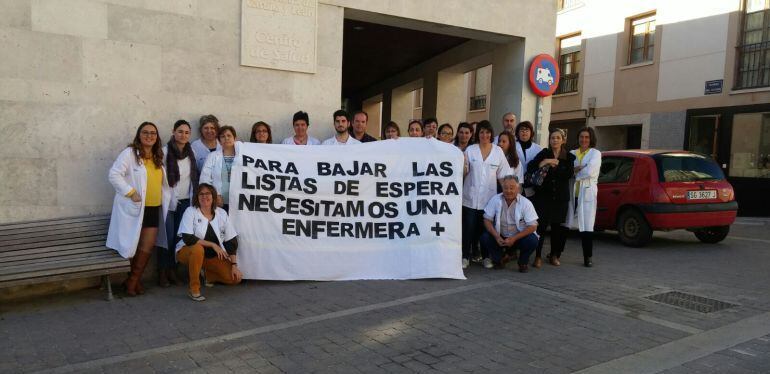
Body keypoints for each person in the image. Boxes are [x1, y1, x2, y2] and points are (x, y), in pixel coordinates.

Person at [106, 122, 172, 296]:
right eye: (145, 132)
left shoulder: (158, 156)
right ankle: (132, 283)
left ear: (157, 137)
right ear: (139, 135)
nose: (149, 136)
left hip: (153, 208)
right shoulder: (129, 154)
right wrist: (130, 192)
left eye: (153, 133)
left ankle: (133, 279)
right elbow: (114, 174)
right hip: (134, 208)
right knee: (131, 246)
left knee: (146, 247)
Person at [176, 183, 242, 301]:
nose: (204, 196)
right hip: (187, 251)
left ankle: (208, 275)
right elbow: (188, 238)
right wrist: (213, 244)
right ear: (197, 197)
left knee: (235, 279)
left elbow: (231, 240)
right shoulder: (190, 211)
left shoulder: (221, 213)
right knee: (197, 249)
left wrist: (234, 265)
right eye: (201, 194)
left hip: (210, 257)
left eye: (208, 193)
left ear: (213, 197)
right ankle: (194, 289)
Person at [462, 120, 512, 270]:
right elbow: (463, 172)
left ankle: (485, 257)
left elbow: (504, 176)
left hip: (489, 200)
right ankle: (465, 256)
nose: (485, 135)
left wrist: (508, 195)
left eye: (487, 132)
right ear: (478, 134)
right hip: (469, 198)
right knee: (468, 229)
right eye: (482, 132)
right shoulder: (470, 150)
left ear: (491, 134)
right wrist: (463, 166)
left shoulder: (498, 152)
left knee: (485, 230)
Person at [528, 128, 575, 268]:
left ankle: (554, 255)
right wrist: (545, 161)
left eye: (558, 138)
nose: (555, 140)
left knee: (556, 228)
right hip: (543, 197)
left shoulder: (569, 157)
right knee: (541, 228)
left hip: (560, 198)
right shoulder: (544, 153)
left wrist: (557, 164)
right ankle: (537, 256)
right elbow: (531, 167)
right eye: (552, 138)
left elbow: (568, 174)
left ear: (563, 140)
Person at [160, 119, 199, 287]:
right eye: (180, 131)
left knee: (178, 238)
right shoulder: (164, 152)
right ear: (173, 132)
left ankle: (173, 271)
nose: (183, 135)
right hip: (168, 203)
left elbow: (193, 178)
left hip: (185, 202)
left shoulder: (192, 153)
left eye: (187, 132)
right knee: (166, 239)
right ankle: (162, 272)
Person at [480, 176, 539, 272]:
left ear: (518, 188)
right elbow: (487, 219)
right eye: (505, 188)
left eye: (512, 188)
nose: (508, 190)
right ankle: (499, 259)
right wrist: (496, 236)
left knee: (533, 240)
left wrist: (514, 238)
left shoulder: (526, 203)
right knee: (485, 238)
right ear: (502, 188)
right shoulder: (495, 199)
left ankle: (523, 262)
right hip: (501, 235)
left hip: (518, 236)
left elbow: (533, 226)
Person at [566, 127, 601, 267]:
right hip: (572, 192)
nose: (584, 140)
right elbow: (567, 169)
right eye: (581, 137)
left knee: (587, 226)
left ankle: (588, 257)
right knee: (565, 223)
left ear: (591, 139)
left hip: (587, 193)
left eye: (586, 137)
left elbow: (590, 171)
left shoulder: (595, 153)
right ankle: (556, 254)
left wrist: (575, 171)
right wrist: (576, 169)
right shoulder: (572, 153)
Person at [200, 126, 239, 211]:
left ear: (235, 138)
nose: (226, 138)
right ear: (219, 140)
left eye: (229, 136)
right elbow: (204, 179)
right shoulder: (212, 156)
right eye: (223, 136)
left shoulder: (242, 157)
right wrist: (214, 195)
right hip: (219, 202)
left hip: (239, 202)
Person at [515, 121, 543, 197]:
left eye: (527, 130)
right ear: (517, 133)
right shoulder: (512, 146)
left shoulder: (538, 148)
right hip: (515, 183)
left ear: (531, 133)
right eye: (521, 130)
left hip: (532, 186)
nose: (524, 132)